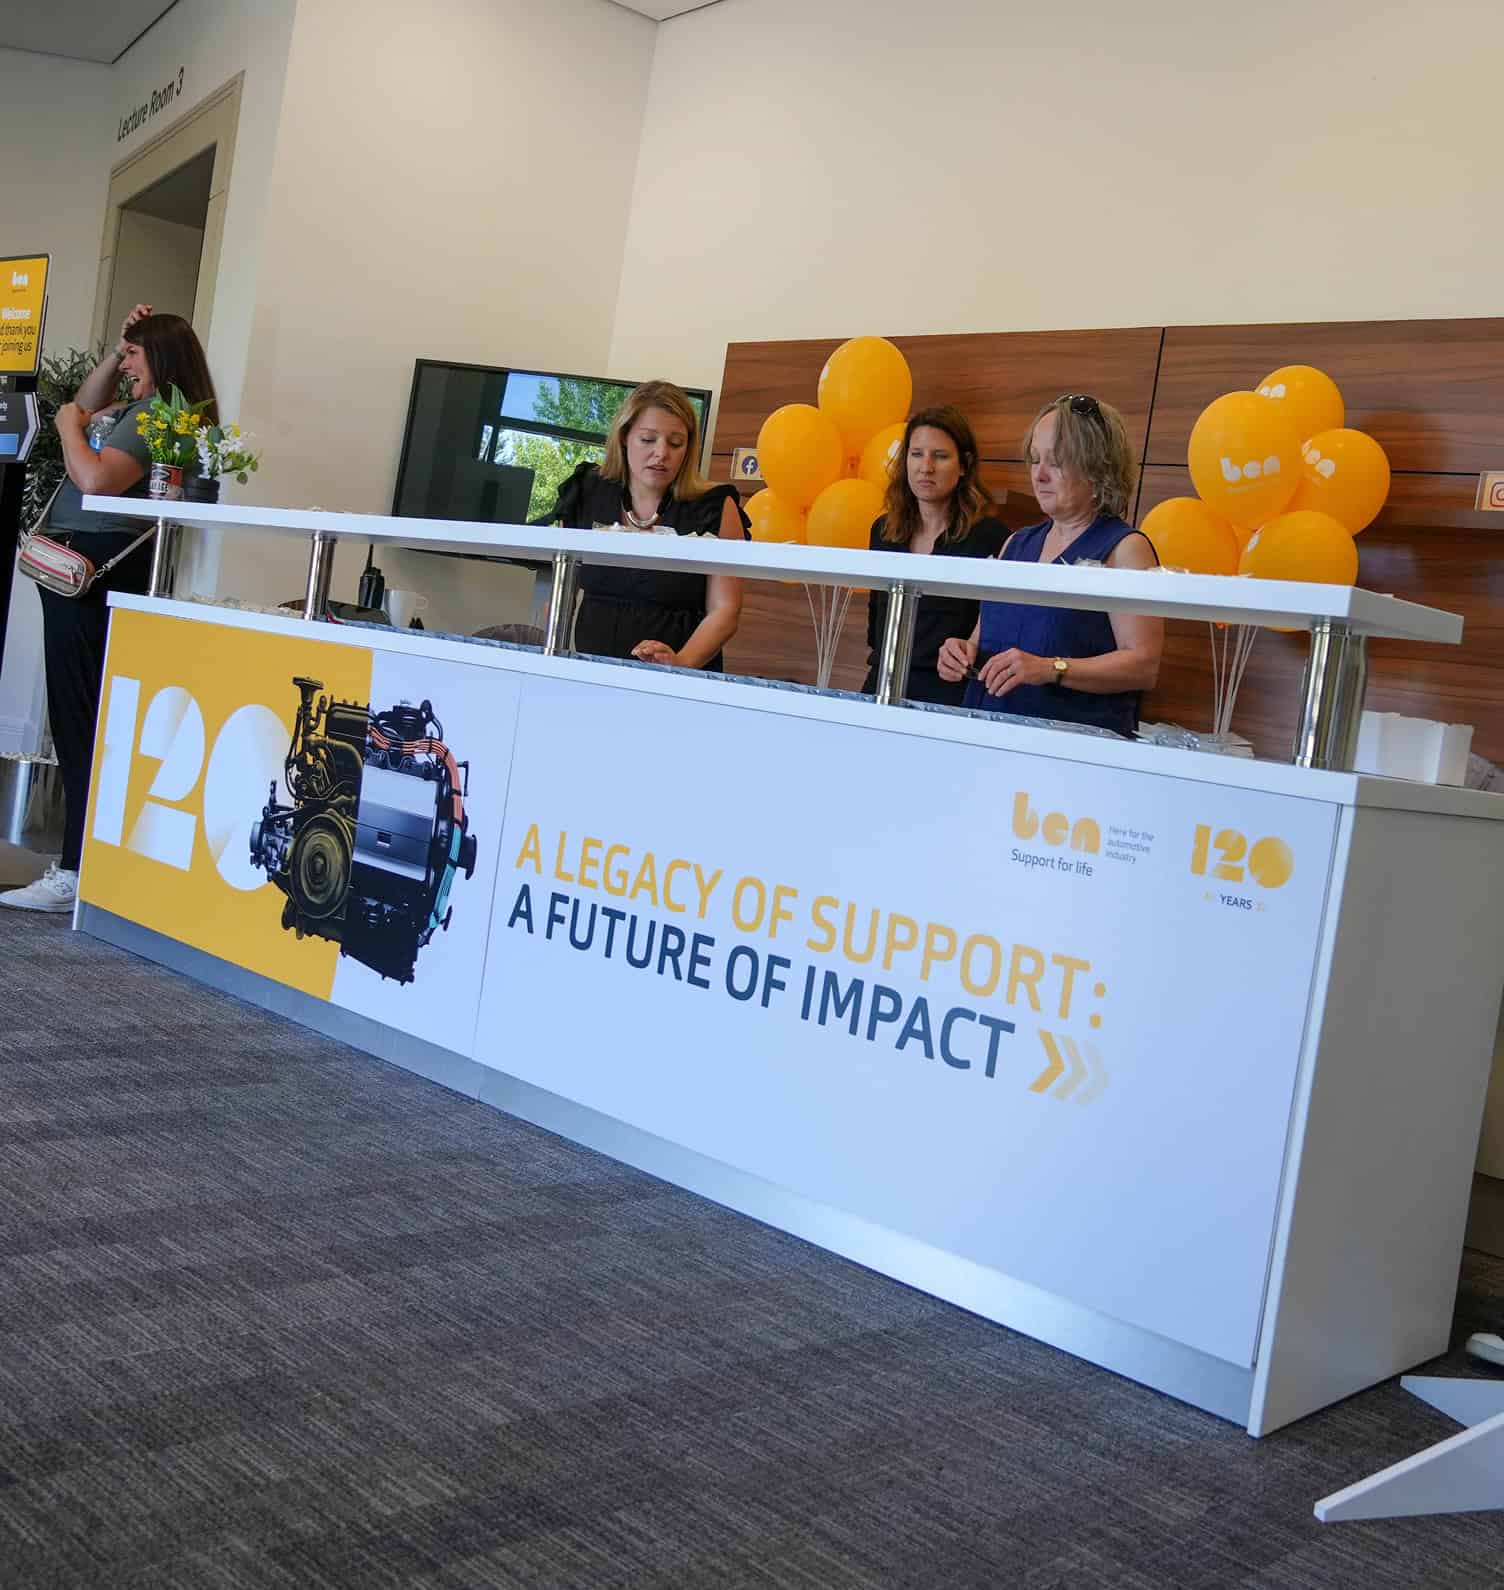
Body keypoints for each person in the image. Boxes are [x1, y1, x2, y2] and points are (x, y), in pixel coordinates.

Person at [1, 304, 218, 913]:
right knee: (77, 715)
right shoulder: (142, 409)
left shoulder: (160, 418)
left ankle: (76, 869)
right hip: (82, 566)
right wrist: (114, 353)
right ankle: (80, 864)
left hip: (96, 566)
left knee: (80, 718)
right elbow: (85, 402)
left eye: (135, 355)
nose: (125, 366)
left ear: (162, 359)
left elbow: (95, 479)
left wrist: (67, 427)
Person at [937, 394, 1161, 737]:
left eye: (1055, 462)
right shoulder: (1015, 543)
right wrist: (961, 652)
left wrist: (1051, 668)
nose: (1039, 475)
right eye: (1034, 459)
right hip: (988, 735)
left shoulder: (1125, 549)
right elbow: (984, 639)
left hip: (1068, 748)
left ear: (1098, 467)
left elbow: (1143, 666)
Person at [546, 380, 749, 670]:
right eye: (648, 439)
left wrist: (680, 663)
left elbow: (725, 610)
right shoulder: (586, 491)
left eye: (676, 443)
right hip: (592, 673)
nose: (662, 453)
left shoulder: (716, 507)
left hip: (681, 681)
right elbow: (561, 593)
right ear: (625, 436)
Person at [861, 406, 1008, 705]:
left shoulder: (991, 536)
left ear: (964, 464)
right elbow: (877, 627)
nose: (926, 467)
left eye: (940, 456)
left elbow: (998, 630)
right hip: (882, 684)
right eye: (916, 454)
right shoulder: (883, 530)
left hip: (951, 694)